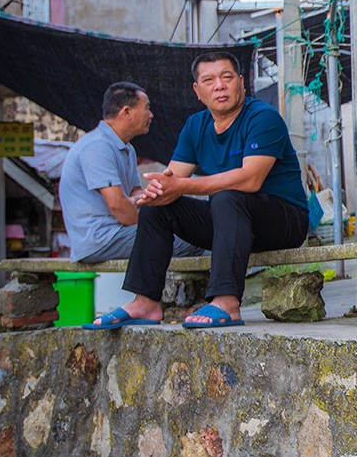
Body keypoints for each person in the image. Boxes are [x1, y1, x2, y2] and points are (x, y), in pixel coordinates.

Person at [84, 52, 309, 329]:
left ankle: (226, 301)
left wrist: (181, 186)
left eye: (227, 77)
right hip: (231, 223)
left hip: (283, 221)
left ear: (241, 83)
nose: (219, 86)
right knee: (159, 207)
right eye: (209, 80)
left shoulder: (263, 117)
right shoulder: (195, 126)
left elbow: (250, 179)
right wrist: (155, 191)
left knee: (228, 196)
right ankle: (146, 302)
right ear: (197, 90)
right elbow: (172, 177)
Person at [59, 82, 202, 263]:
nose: (151, 115)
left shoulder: (127, 148)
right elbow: (118, 205)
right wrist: (152, 225)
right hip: (101, 239)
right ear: (126, 112)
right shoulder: (98, 146)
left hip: (118, 232)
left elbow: (136, 192)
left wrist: (135, 200)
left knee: (193, 234)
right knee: (192, 240)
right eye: (147, 108)